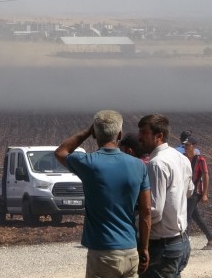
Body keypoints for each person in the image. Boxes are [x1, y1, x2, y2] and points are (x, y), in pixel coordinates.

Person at [55, 110, 151, 277]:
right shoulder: (139, 166)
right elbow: (146, 211)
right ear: (119, 134)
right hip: (130, 250)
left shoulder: (88, 163)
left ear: (95, 134)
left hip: (102, 252)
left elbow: (61, 151)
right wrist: (143, 248)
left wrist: (87, 131)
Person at [138, 114, 194, 278]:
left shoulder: (156, 164)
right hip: (181, 243)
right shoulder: (181, 158)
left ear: (159, 136)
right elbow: (190, 191)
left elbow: (153, 211)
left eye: (144, 133)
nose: (139, 137)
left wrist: (134, 224)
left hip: (163, 247)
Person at [182, 135, 212, 250]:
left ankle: (185, 245)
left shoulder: (200, 159)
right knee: (195, 216)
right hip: (186, 191)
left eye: (187, 145)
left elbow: (206, 175)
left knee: (186, 216)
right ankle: (211, 239)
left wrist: (205, 194)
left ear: (193, 146)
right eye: (185, 145)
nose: (185, 147)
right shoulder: (183, 158)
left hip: (195, 192)